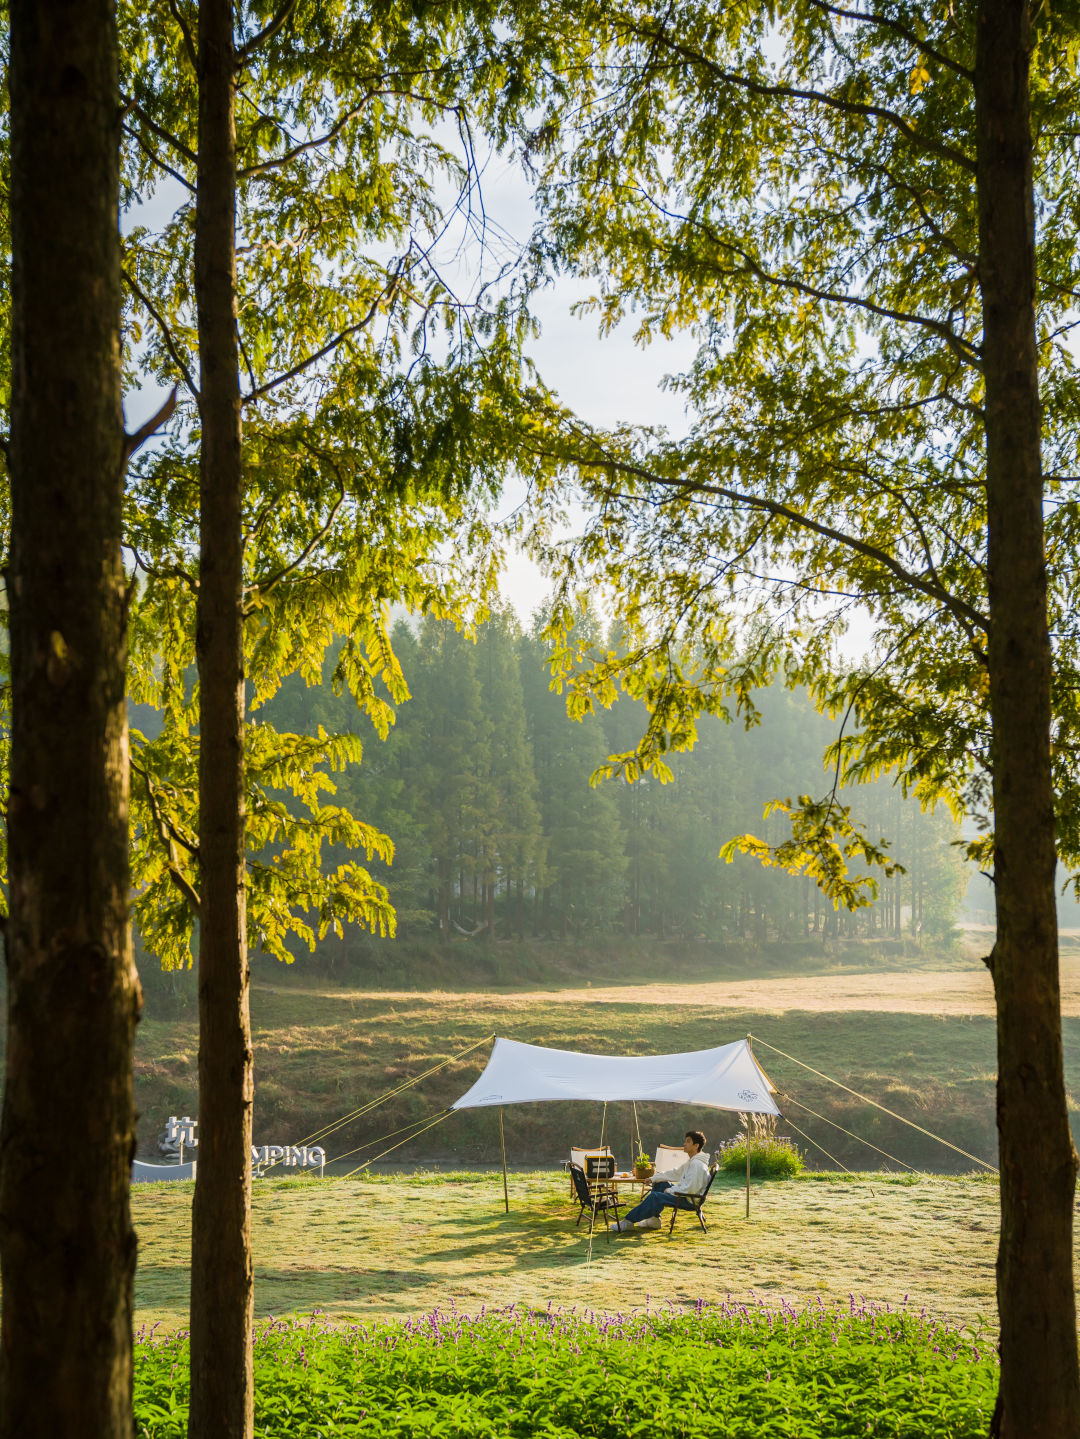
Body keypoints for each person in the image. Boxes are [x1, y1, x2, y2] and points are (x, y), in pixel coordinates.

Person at [610, 1130, 709, 1232]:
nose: (684, 1144)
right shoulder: (692, 1162)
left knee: (655, 1197)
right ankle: (654, 1220)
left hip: (689, 1200)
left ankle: (628, 1222)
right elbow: (674, 1173)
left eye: (688, 1141)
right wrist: (653, 1178)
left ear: (696, 1145)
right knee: (660, 1183)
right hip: (686, 1195)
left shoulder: (697, 1165)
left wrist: (670, 1191)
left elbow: (690, 1189)